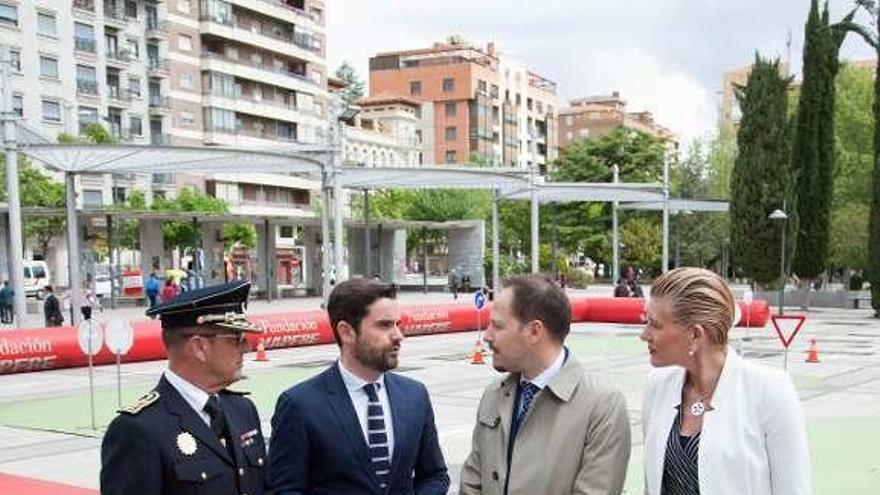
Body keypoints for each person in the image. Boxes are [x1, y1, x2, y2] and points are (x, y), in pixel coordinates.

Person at [267, 278, 449, 495]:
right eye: (384, 325)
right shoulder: (300, 405)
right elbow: (284, 490)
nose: (398, 336)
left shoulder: (415, 395)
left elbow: (435, 476)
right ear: (346, 332)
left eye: (398, 325)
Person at [640, 267, 810, 495]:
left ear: (695, 335)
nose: (644, 335)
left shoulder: (771, 392)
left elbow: (794, 489)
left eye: (655, 325)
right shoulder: (657, 386)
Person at [459, 275, 631, 495]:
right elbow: (472, 482)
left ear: (534, 331)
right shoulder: (494, 394)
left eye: (497, 326)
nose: (487, 335)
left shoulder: (602, 406)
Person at [101, 280, 267, 495]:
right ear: (199, 347)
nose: (247, 348)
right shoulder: (138, 430)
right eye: (236, 338)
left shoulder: (242, 410)